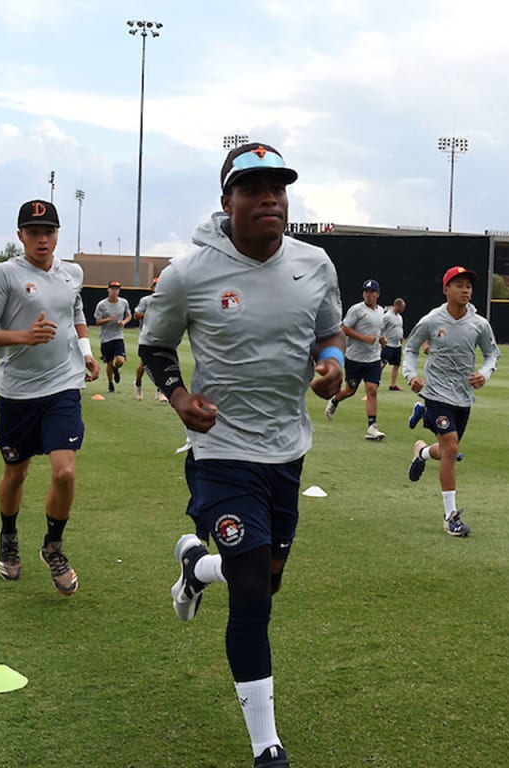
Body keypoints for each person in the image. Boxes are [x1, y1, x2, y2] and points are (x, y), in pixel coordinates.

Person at [140, 141, 342, 768]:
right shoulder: (188, 273)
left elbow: (328, 330)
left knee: (265, 580)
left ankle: (196, 567)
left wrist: (332, 362)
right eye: (254, 189)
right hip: (221, 450)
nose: (270, 199)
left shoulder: (316, 264)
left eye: (278, 188)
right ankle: (266, 745)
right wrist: (177, 396)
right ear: (227, 201)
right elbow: (154, 346)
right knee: (253, 588)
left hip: (287, 450)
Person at [0, 199, 100, 597]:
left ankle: (53, 546)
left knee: (64, 472)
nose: (41, 239)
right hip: (17, 390)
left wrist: (87, 353)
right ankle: (8, 534)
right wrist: (24, 336)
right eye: (33, 232)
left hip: (63, 383)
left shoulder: (72, 273)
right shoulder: (4, 275)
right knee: (17, 473)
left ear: (57, 234)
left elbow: (76, 313)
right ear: (20, 236)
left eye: (48, 232)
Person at [403, 266, 500, 537]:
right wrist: (411, 376)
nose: (465, 289)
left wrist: (484, 374)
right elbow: (410, 349)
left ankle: (421, 452)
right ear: (446, 289)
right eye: (459, 284)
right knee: (452, 446)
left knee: (446, 450)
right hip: (435, 393)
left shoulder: (479, 323)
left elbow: (493, 354)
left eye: (468, 285)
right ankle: (450, 517)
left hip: (463, 397)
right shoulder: (432, 320)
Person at [324, 279, 388, 440]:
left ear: (377, 294)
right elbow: (344, 328)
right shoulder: (357, 310)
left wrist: (381, 340)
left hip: (373, 358)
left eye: (372, 292)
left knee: (372, 390)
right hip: (355, 358)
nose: (368, 294)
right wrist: (364, 338)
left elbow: (377, 330)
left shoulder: (381, 311)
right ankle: (335, 400)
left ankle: (372, 427)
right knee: (350, 390)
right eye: (366, 291)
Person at [93, 281, 133, 393]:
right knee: (109, 362)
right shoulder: (102, 305)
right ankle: (110, 384)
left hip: (118, 335)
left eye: (117, 289)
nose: (115, 291)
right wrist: (108, 319)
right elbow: (97, 321)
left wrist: (124, 322)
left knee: (120, 360)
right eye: (113, 288)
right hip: (106, 337)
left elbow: (129, 315)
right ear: (108, 289)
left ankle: (116, 368)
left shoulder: (124, 302)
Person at [131, 278, 166, 402]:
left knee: (164, 364)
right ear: (152, 288)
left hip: (163, 336)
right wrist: (150, 315)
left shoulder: (167, 301)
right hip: (147, 336)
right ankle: (138, 384)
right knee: (144, 364)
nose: (158, 287)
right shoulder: (146, 300)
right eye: (155, 285)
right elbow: (136, 315)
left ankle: (160, 392)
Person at [380, 297, 407, 391]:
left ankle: (393, 385)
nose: (403, 309)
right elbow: (380, 328)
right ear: (397, 305)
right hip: (389, 345)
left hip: (397, 345)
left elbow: (399, 328)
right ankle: (374, 381)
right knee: (382, 364)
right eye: (402, 307)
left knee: (396, 364)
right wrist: (382, 338)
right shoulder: (387, 316)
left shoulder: (399, 317)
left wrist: (401, 337)